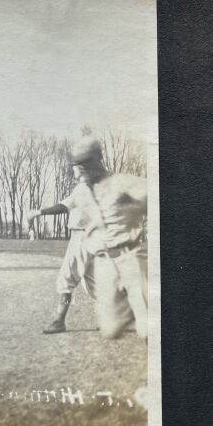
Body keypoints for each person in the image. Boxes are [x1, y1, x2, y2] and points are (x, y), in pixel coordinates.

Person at [28, 136, 148, 339]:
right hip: (95, 243)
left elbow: (62, 208)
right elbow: (63, 206)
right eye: (76, 165)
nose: (75, 170)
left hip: (86, 239)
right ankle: (129, 311)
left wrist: (37, 213)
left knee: (69, 278)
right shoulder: (81, 190)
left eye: (78, 165)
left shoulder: (118, 184)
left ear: (90, 164)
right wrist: (39, 212)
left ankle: (59, 320)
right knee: (92, 287)